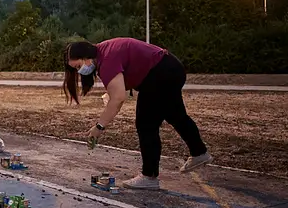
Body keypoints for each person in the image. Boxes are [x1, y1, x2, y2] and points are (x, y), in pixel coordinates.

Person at [63, 37, 212, 190]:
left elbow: (119, 98)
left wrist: (99, 127)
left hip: (160, 74)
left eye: (78, 66)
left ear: (87, 57)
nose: (79, 71)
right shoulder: (104, 52)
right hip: (170, 68)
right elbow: (122, 82)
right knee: (176, 116)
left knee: (146, 124)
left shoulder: (107, 60)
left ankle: (149, 176)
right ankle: (199, 153)